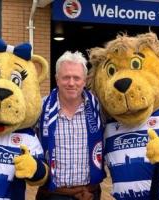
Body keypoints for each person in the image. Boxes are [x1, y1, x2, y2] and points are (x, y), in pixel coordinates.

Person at [35, 51, 106, 200]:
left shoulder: (99, 108)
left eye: (76, 78)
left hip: (89, 194)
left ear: (85, 80)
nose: (71, 83)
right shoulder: (40, 108)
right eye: (66, 77)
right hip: (53, 194)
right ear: (57, 79)